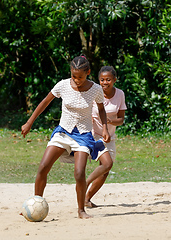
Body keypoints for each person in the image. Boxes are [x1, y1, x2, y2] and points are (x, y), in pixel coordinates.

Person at [21, 56, 111, 219]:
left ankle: (81, 210)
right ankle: (35, 203)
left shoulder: (96, 89)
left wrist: (104, 128)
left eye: (80, 77)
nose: (76, 80)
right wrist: (29, 122)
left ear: (88, 73)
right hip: (63, 132)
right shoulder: (63, 85)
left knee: (79, 173)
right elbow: (44, 102)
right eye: (73, 76)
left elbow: (101, 109)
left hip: (83, 135)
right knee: (43, 166)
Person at [85, 66, 127, 208]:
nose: (105, 82)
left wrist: (108, 122)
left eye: (108, 79)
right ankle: (84, 184)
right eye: (102, 80)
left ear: (114, 80)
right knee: (106, 164)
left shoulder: (120, 94)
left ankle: (87, 198)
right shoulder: (94, 93)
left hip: (109, 136)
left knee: (105, 170)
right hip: (93, 135)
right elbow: (86, 114)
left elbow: (121, 119)